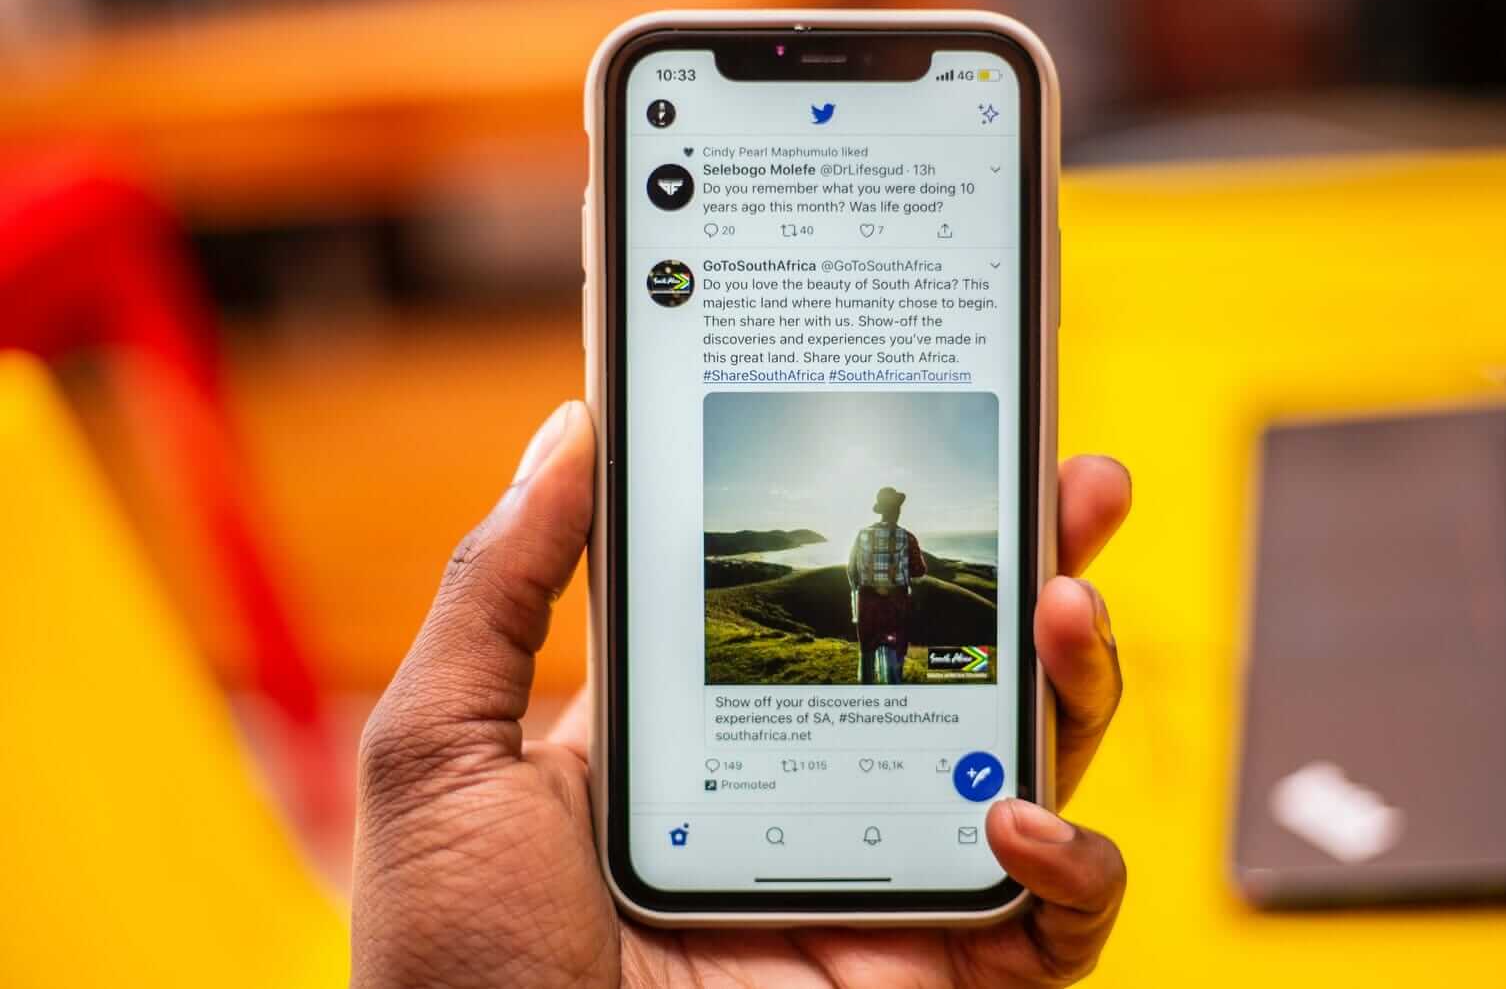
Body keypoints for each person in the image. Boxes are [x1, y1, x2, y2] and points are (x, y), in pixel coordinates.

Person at [351, 401, 1131, 988]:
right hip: (885, 615)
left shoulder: (872, 537)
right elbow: (897, 570)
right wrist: (891, 587)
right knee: (884, 675)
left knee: (881, 674)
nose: (890, 514)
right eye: (891, 508)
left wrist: (879, 588)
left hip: (876, 614)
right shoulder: (884, 537)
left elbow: (877, 570)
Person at [847, 485, 927, 684]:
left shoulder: (862, 534)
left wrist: (870, 584)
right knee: (894, 648)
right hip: (896, 606)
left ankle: (867, 686)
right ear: (897, 510)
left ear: (881, 510)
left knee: (868, 651)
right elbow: (919, 570)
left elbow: (851, 570)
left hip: (868, 606)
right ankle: (893, 687)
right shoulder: (907, 537)